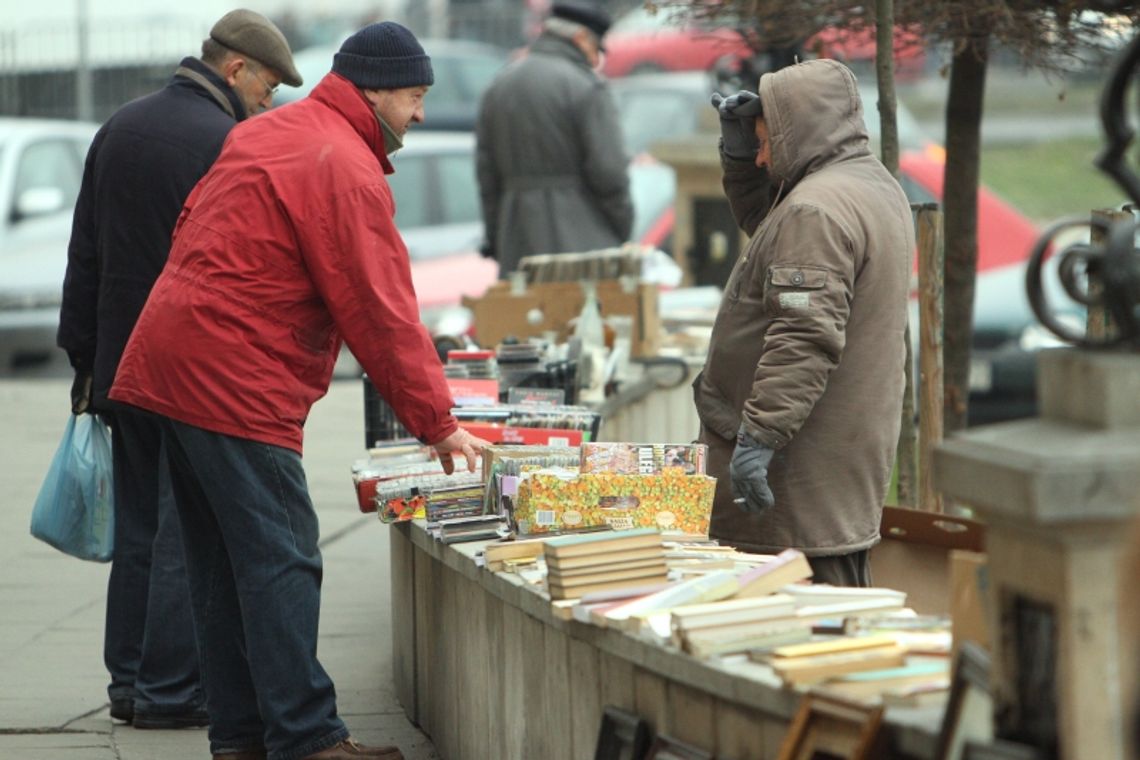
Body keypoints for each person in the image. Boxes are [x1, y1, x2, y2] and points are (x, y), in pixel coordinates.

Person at [108, 21, 488, 760]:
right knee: (283, 554)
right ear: (375, 92)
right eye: (414, 96)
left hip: (170, 360)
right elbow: (380, 310)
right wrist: (438, 421)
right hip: (231, 378)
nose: (419, 113)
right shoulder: (342, 165)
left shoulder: (268, 132)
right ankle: (308, 736)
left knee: (221, 563)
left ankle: (241, 736)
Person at [56, 9, 301, 730]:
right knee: (179, 529)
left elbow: (85, 252)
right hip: (187, 369)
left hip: (117, 365)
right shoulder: (227, 142)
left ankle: (129, 683)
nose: (267, 103)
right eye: (266, 87)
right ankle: (167, 692)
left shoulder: (119, 126)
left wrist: (84, 359)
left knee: (138, 527)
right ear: (235, 69)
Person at [693, 59, 914, 587]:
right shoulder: (870, 185)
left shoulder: (814, 211)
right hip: (836, 468)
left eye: (765, 142)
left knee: (792, 625)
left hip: (794, 484)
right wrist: (739, 158)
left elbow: (803, 335)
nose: (761, 156)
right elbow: (773, 230)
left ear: (800, 134)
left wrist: (758, 439)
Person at [475, 0, 633, 277]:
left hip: (517, 248)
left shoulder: (498, 87)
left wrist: (497, 238)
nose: (597, 60)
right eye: (597, 48)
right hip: (582, 248)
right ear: (580, 37)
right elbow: (610, 174)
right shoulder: (586, 88)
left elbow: (487, 177)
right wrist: (621, 230)